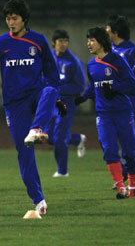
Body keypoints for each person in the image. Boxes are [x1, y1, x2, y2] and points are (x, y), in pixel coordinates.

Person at [0, 0, 62, 215]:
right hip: (15, 104)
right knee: (25, 152)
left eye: (14, 18)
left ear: (24, 19)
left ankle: (37, 128)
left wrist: (56, 98)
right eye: (7, 18)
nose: (10, 22)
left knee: (51, 90)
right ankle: (39, 199)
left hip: (36, 94)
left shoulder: (39, 41)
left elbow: (52, 75)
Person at [82, 27, 135, 199]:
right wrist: (82, 98)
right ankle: (121, 187)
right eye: (88, 40)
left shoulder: (117, 60)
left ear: (101, 41)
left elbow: (133, 85)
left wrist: (115, 89)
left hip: (122, 112)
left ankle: (132, 189)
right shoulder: (91, 65)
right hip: (104, 115)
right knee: (109, 150)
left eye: (92, 40)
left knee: (130, 152)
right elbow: (93, 86)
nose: (89, 44)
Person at [106, 15, 135, 189]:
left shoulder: (133, 51)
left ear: (115, 32)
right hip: (112, 103)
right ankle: (124, 173)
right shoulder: (110, 50)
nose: (105, 31)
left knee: (133, 142)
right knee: (109, 141)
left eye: (107, 29)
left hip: (129, 102)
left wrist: (117, 86)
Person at [44, 29, 87, 178]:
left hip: (67, 103)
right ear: (54, 43)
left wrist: (58, 88)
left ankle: (63, 171)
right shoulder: (48, 57)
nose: (63, 44)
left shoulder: (73, 62)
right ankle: (77, 139)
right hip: (50, 102)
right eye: (60, 41)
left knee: (60, 136)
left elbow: (80, 86)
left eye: (65, 41)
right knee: (48, 136)